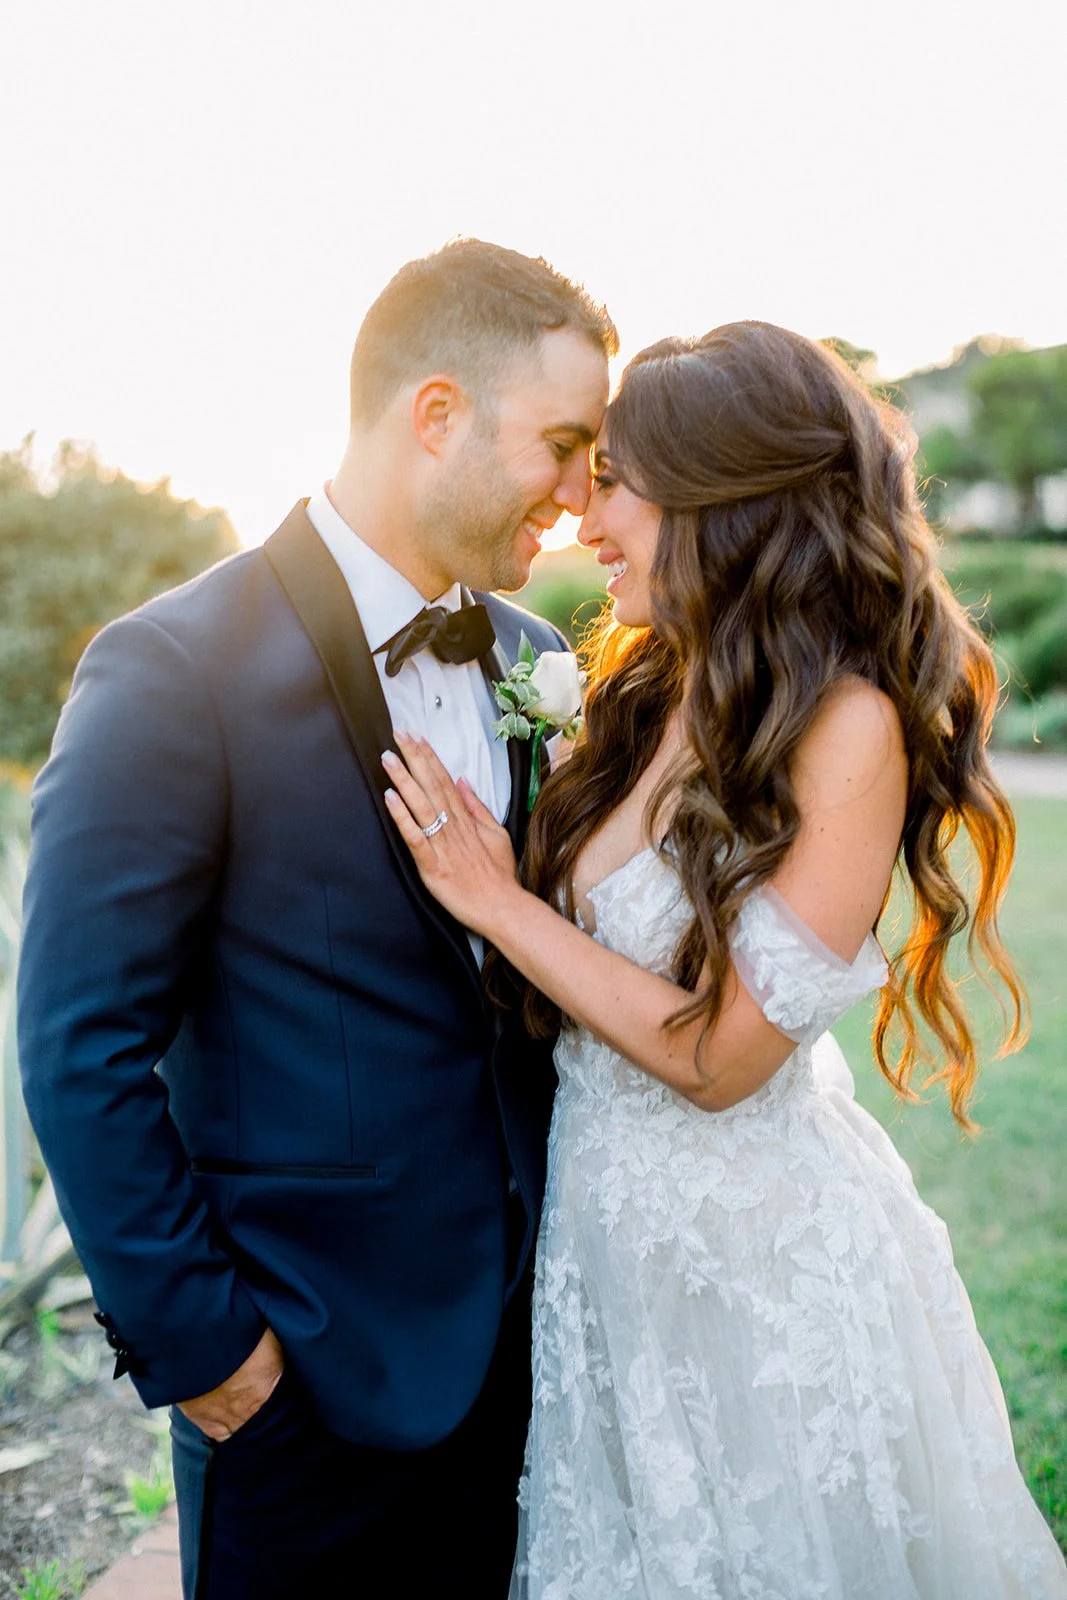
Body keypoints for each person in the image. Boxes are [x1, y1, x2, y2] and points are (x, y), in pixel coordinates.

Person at [383, 323, 1067, 1598]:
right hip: (610, 1247)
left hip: (754, 1276)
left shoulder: (846, 724)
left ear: (721, 501)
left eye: (619, 479)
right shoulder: (653, 685)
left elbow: (721, 1057)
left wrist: (493, 900)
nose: (585, 509)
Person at [17, 239, 615, 1597]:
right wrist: (218, 1363)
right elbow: (78, 1050)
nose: (584, 499)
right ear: (437, 414)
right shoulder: (170, 670)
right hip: (303, 1385)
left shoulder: (532, 660)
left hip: (534, 1366)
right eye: (565, 445)